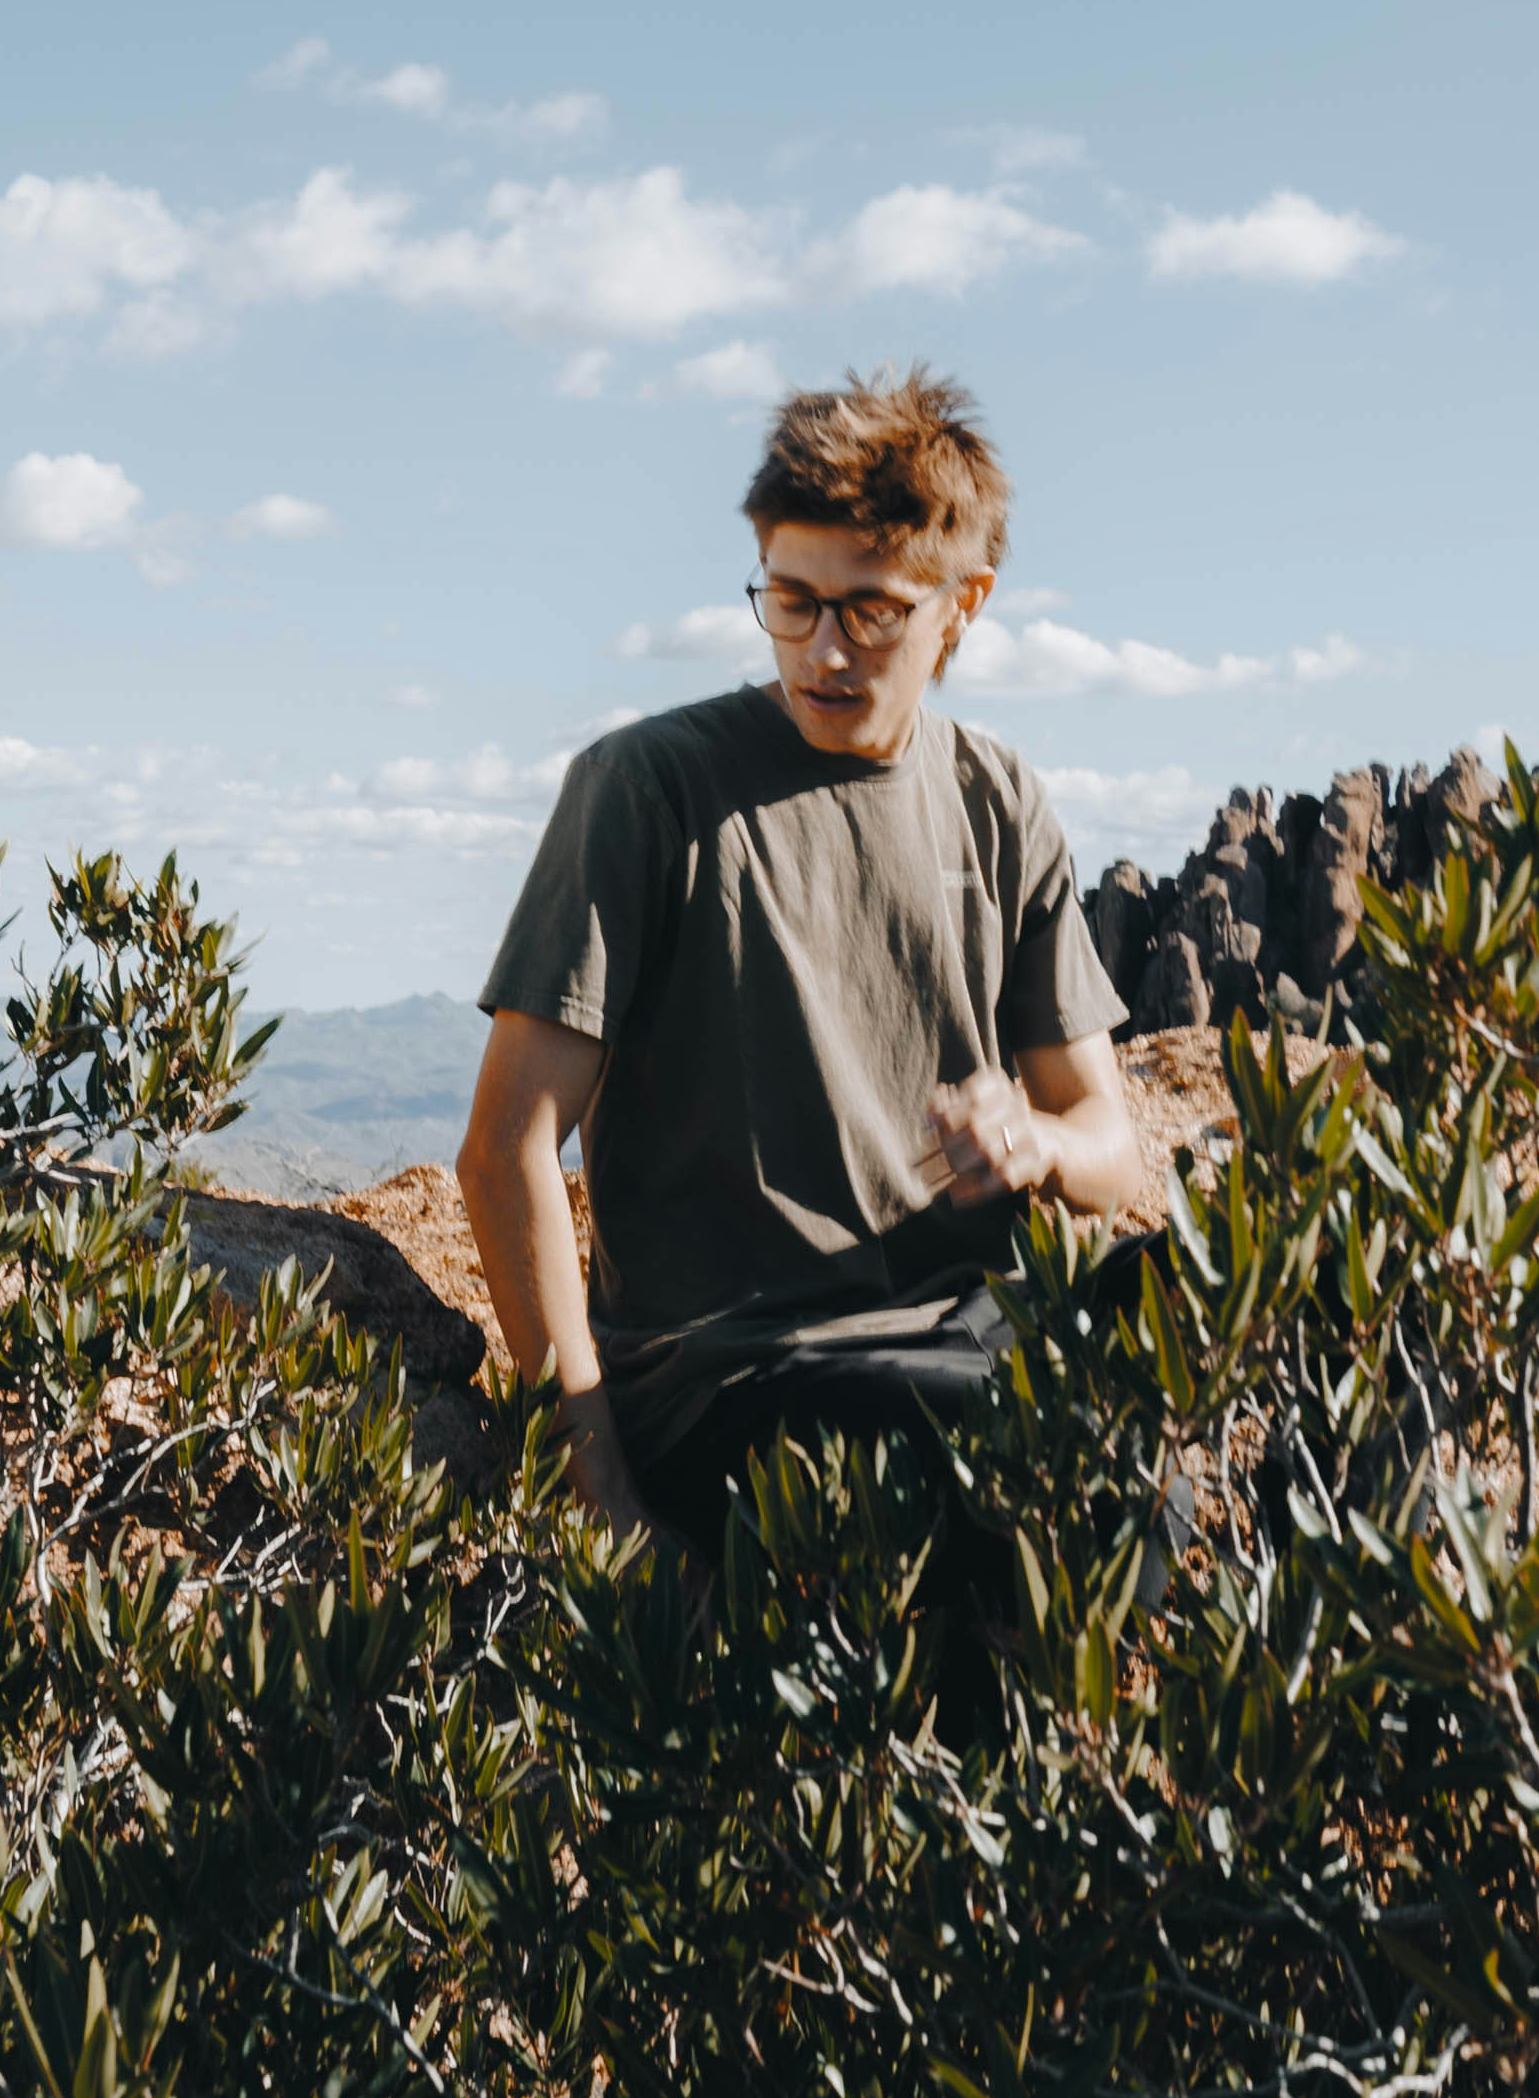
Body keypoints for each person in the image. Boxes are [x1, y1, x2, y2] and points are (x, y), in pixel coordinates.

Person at [457, 364, 1143, 1546]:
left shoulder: (1001, 800)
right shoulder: (643, 789)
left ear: (960, 606)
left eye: (870, 609)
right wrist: (596, 1495)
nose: (822, 649)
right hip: (736, 1372)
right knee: (1010, 1437)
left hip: (963, 1330)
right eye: (789, 599)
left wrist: (1034, 1142)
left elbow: (1111, 1148)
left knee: (1261, 1323)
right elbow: (505, 1147)